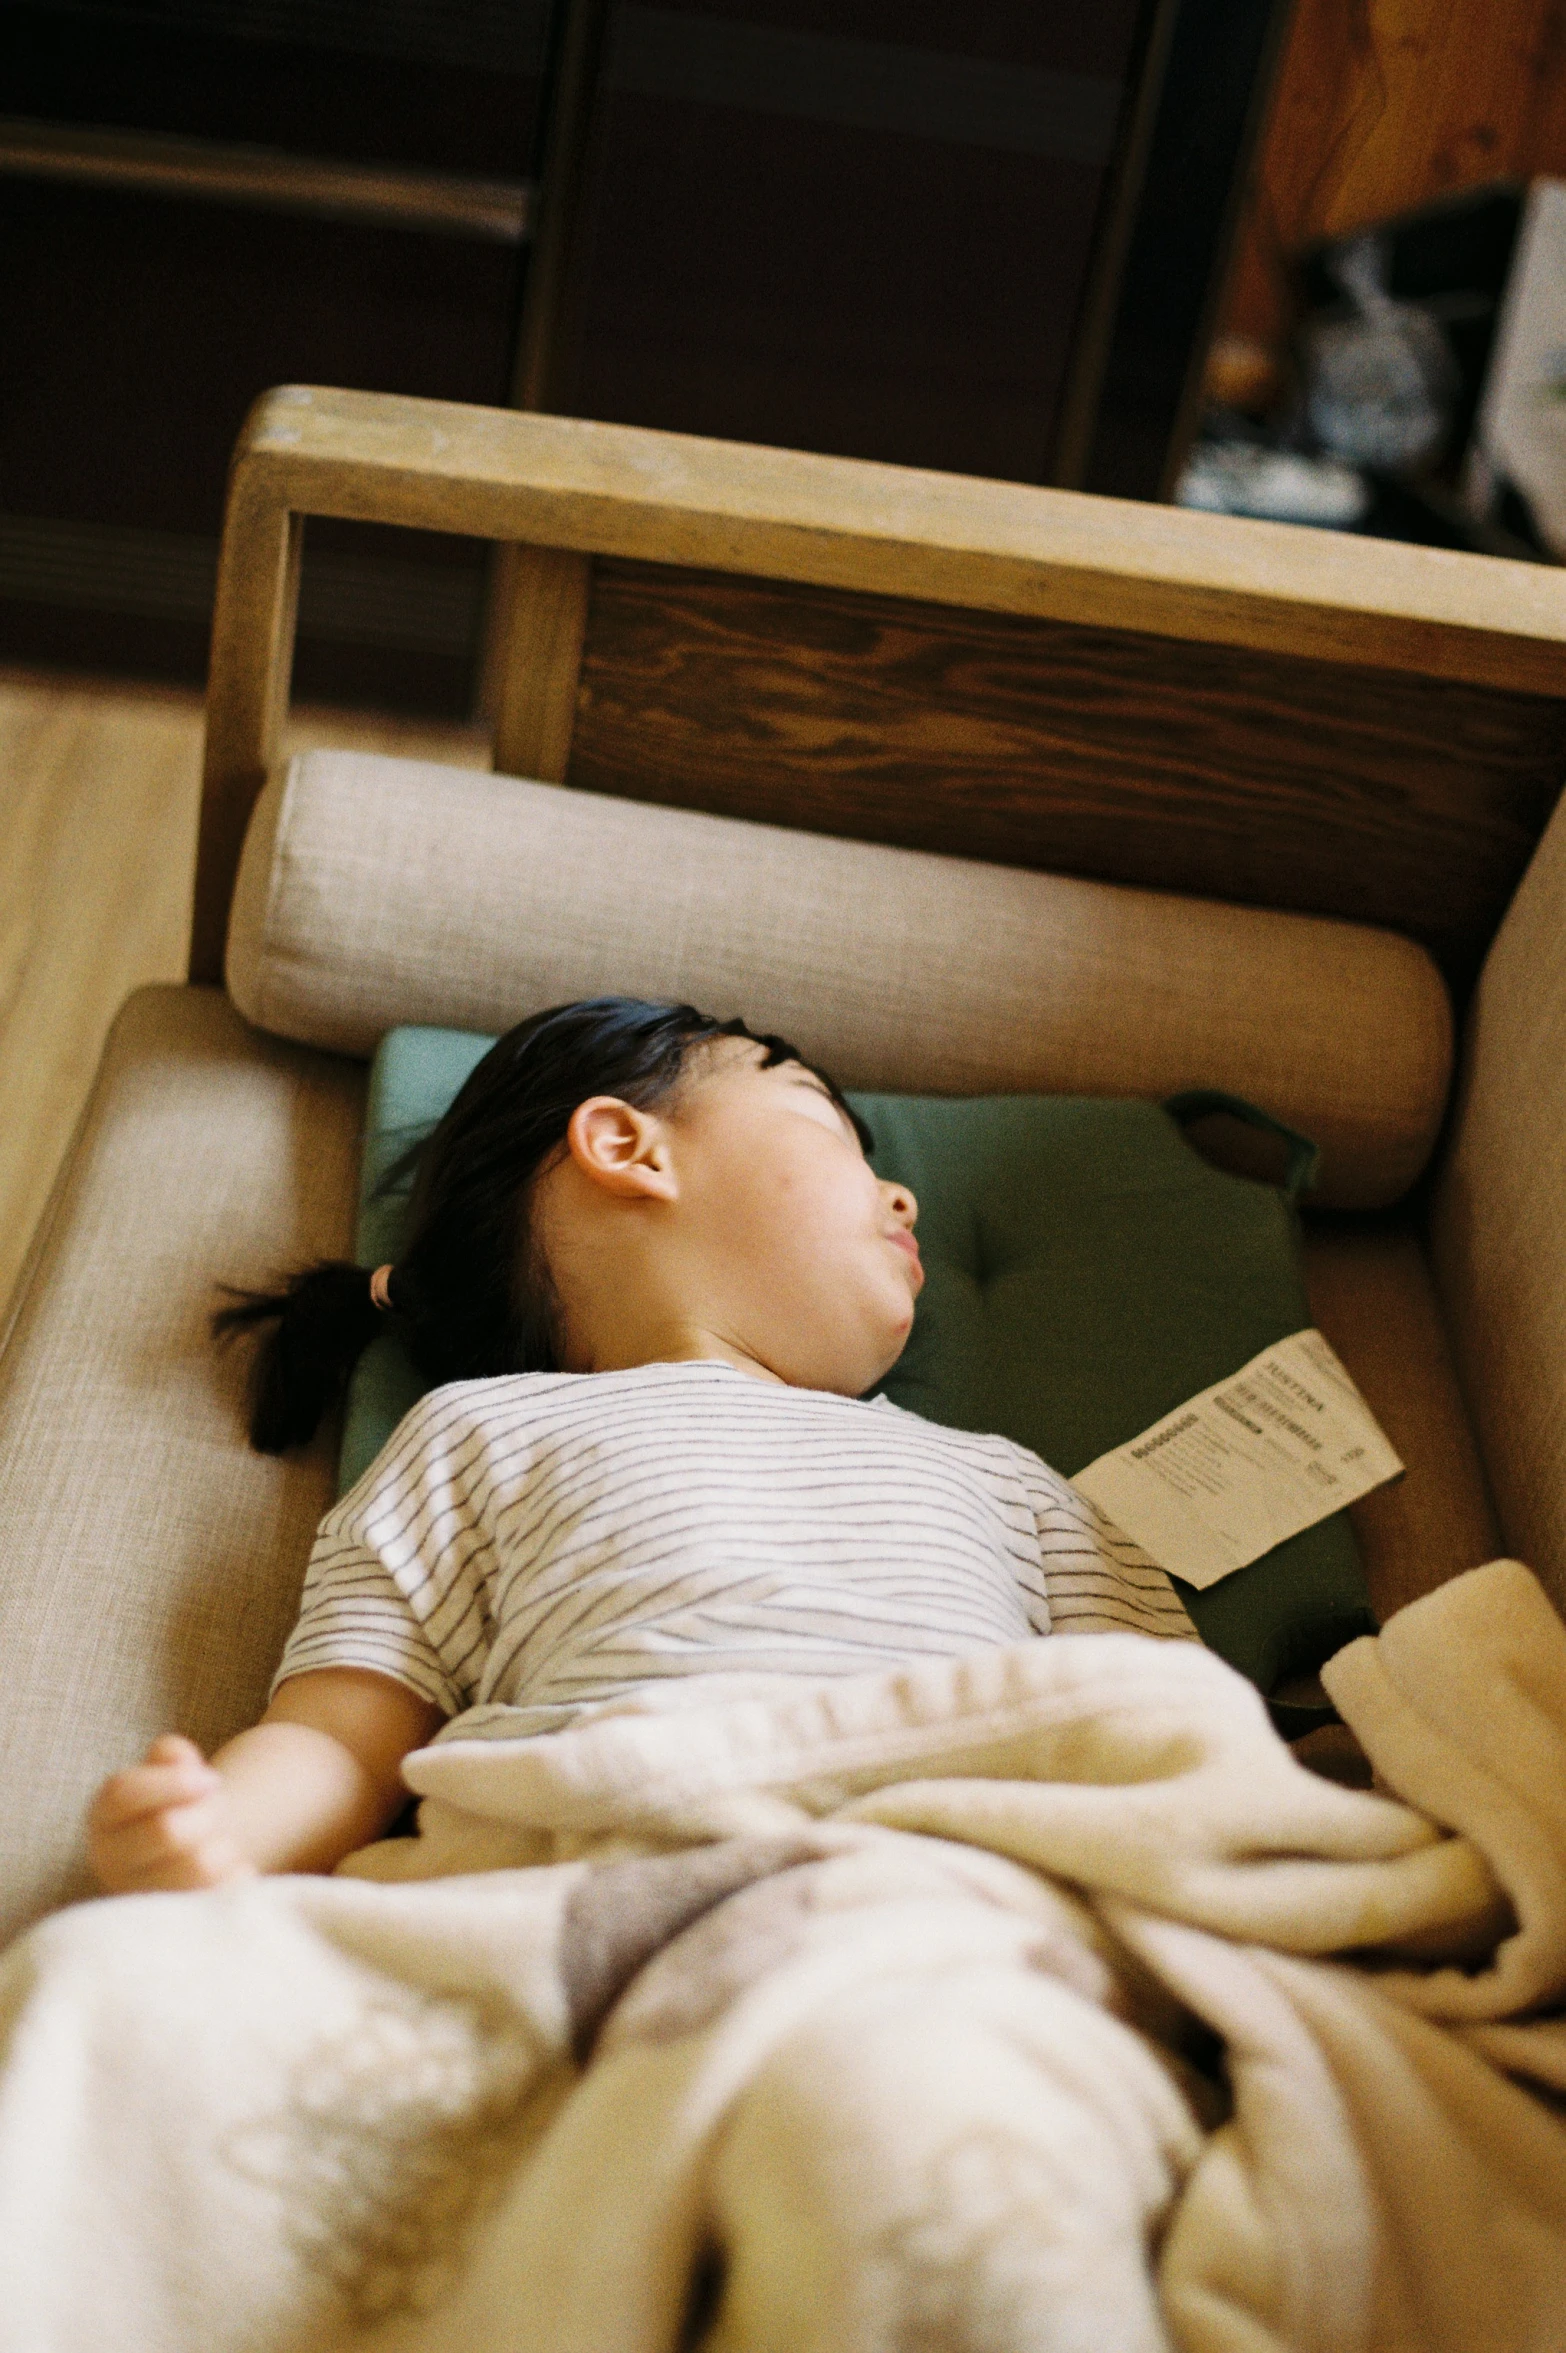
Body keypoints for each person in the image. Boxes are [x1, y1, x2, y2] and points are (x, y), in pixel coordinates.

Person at [87, 997, 1196, 1896]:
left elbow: (1174, 1736)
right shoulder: (481, 1433)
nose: (901, 1189)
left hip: (939, 1889)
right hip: (592, 1873)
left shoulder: (1004, 1481)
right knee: (89, 1976)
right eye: (827, 1125)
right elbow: (340, 1740)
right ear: (627, 1145)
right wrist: (222, 1833)